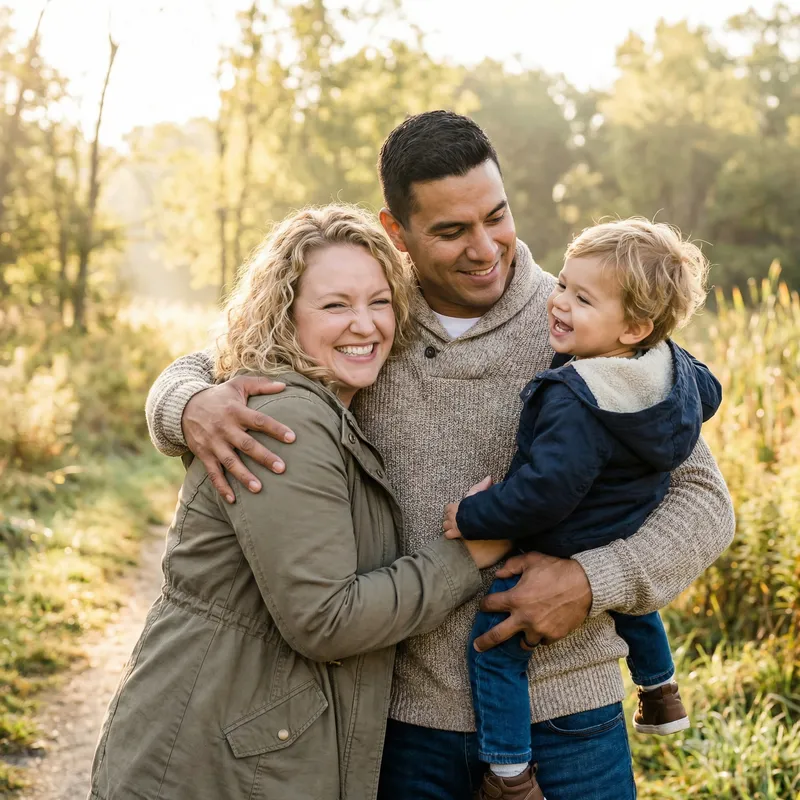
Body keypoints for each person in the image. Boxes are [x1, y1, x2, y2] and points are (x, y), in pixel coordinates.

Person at [145, 112, 735, 800]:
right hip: (399, 725)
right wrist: (184, 404)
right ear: (397, 232)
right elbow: (223, 356)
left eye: (497, 215)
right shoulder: (367, 325)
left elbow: (705, 502)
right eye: (452, 231)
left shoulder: (584, 324)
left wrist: (589, 580)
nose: (485, 248)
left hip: (568, 716)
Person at [89, 205, 509, 800]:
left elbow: (200, 366)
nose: (364, 325)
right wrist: (464, 558)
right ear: (284, 314)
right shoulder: (284, 417)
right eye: (335, 305)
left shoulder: (321, 393)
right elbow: (325, 618)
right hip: (209, 758)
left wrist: (179, 398)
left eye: (379, 301)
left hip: (241, 739)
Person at [442, 218, 722, 800]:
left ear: (635, 327)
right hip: (621, 523)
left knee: (494, 651)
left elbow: (545, 491)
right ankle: (660, 689)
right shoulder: (672, 372)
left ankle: (509, 772)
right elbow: (710, 394)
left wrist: (473, 517)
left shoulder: (578, 395)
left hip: (566, 543)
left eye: (582, 298)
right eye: (563, 285)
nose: (559, 303)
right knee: (632, 606)